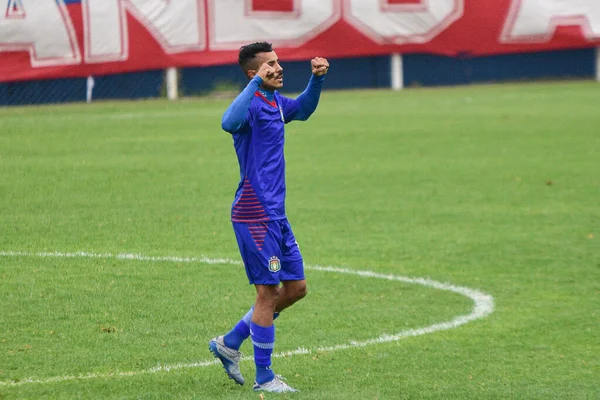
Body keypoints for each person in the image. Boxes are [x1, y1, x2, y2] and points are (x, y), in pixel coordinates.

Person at [209, 42, 329, 393]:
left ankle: (230, 342)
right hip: (253, 213)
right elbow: (227, 122)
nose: (278, 68)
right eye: (269, 65)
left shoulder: (275, 103)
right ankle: (264, 378)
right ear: (254, 73)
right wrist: (254, 85)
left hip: (275, 213)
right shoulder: (249, 105)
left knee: (296, 289)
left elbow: (303, 110)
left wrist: (316, 79)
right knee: (268, 293)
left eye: (277, 62)